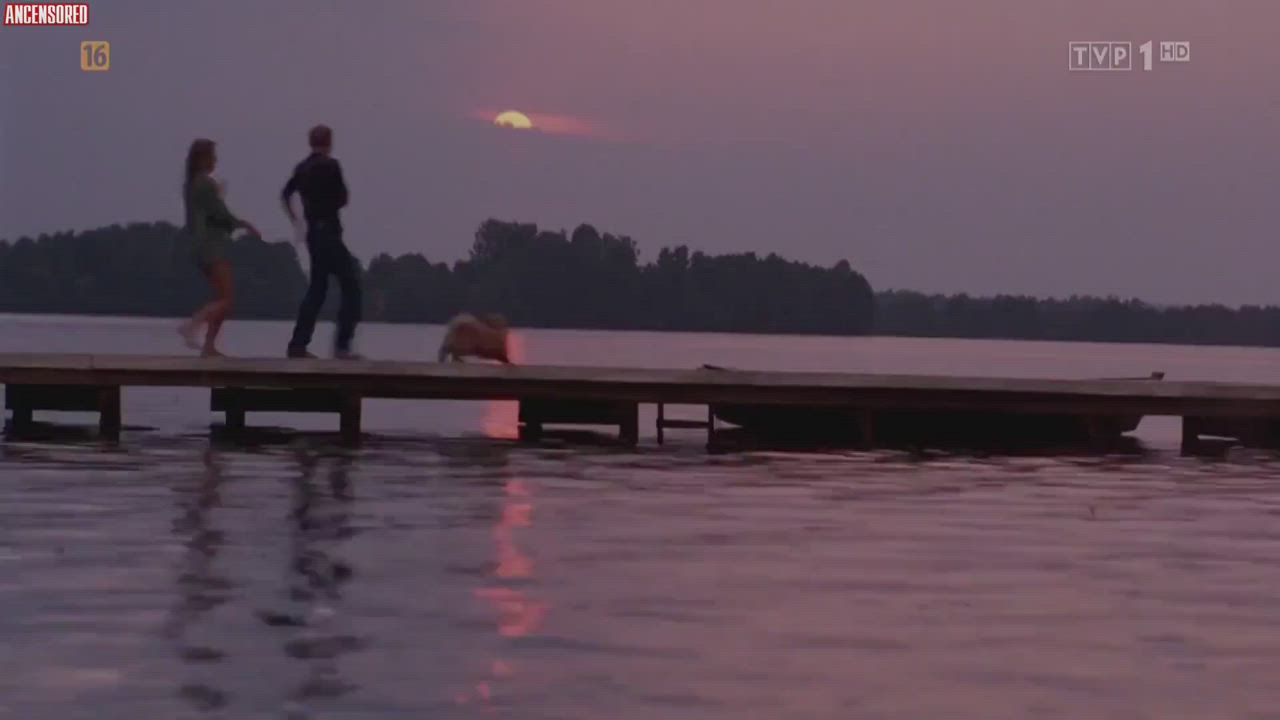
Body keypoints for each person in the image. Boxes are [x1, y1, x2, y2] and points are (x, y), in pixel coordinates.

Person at [281, 125, 362, 359]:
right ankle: (342, 345)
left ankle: (297, 344)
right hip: (329, 232)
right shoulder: (330, 165)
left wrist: (296, 218)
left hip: (313, 236)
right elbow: (343, 198)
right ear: (329, 142)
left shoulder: (302, 168)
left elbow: (286, 194)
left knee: (317, 289)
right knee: (352, 286)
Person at [179, 139, 260, 357]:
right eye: (213, 156)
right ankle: (193, 324)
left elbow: (208, 211)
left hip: (200, 246)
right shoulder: (204, 184)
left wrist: (218, 195)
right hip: (209, 247)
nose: (216, 160)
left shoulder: (192, 184)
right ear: (203, 159)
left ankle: (208, 346)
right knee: (226, 299)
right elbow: (220, 214)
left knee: (222, 297)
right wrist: (245, 224)